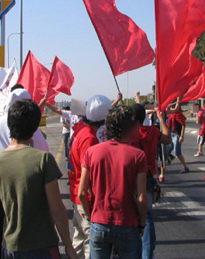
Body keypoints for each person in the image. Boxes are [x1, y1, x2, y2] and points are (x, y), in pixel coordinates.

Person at [0, 99, 77, 259]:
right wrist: (68, 246)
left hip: (10, 245)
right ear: (35, 126)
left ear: (10, 124)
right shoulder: (43, 159)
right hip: (41, 245)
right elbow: (57, 210)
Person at [0, 89, 49, 259]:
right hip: (25, 180)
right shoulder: (31, 128)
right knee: (21, 219)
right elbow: (42, 152)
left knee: (0, 217)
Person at [78, 106, 148, 259]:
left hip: (99, 223)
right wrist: (142, 223)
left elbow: (82, 193)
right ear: (129, 128)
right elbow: (142, 198)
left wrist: (92, 218)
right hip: (127, 223)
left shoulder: (91, 152)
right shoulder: (138, 155)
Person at [67, 95, 112, 259]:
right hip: (86, 198)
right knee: (90, 245)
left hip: (76, 193)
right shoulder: (90, 138)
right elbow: (92, 175)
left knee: (78, 240)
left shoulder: (79, 129)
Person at [131, 103, 171, 259]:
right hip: (148, 177)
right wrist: (162, 120)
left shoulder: (129, 134)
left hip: (131, 179)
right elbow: (167, 139)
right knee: (146, 217)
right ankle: (147, 254)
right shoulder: (153, 132)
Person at [167, 101, 190, 173]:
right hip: (171, 134)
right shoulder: (171, 115)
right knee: (167, 151)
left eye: (171, 107)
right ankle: (168, 160)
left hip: (177, 135)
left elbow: (183, 125)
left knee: (177, 153)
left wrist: (182, 136)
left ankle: (185, 167)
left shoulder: (178, 114)